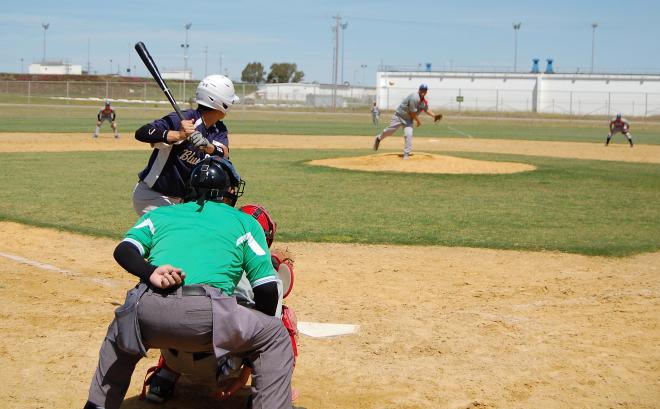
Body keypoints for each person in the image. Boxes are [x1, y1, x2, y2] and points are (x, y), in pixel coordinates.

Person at [83, 157, 294, 409]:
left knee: (120, 332)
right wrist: (248, 353)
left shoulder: (161, 214)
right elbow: (267, 289)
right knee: (276, 335)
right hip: (209, 317)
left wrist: (151, 272)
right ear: (228, 192)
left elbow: (124, 250)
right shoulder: (244, 222)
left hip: (148, 309)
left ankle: (99, 404)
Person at [143, 203, 299, 404]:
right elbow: (269, 304)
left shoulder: (194, 256)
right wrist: (242, 379)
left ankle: (164, 378)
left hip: (172, 347)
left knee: (180, 305)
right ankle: (268, 394)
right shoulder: (270, 279)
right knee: (281, 320)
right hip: (220, 365)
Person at [132, 74, 240, 215]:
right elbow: (142, 132)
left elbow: (224, 153)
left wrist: (207, 146)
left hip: (185, 201)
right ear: (222, 104)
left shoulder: (219, 128)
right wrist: (179, 135)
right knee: (175, 234)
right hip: (154, 196)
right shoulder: (182, 119)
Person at [372, 83, 440, 160]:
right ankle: (378, 138)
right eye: (422, 89)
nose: (423, 91)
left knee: (408, 135)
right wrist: (418, 121)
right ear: (419, 90)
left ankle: (406, 154)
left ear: (426, 91)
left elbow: (426, 109)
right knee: (389, 132)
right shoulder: (415, 97)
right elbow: (412, 113)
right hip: (399, 116)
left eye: (425, 90)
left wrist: (434, 116)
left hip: (408, 120)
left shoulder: (423, 101)